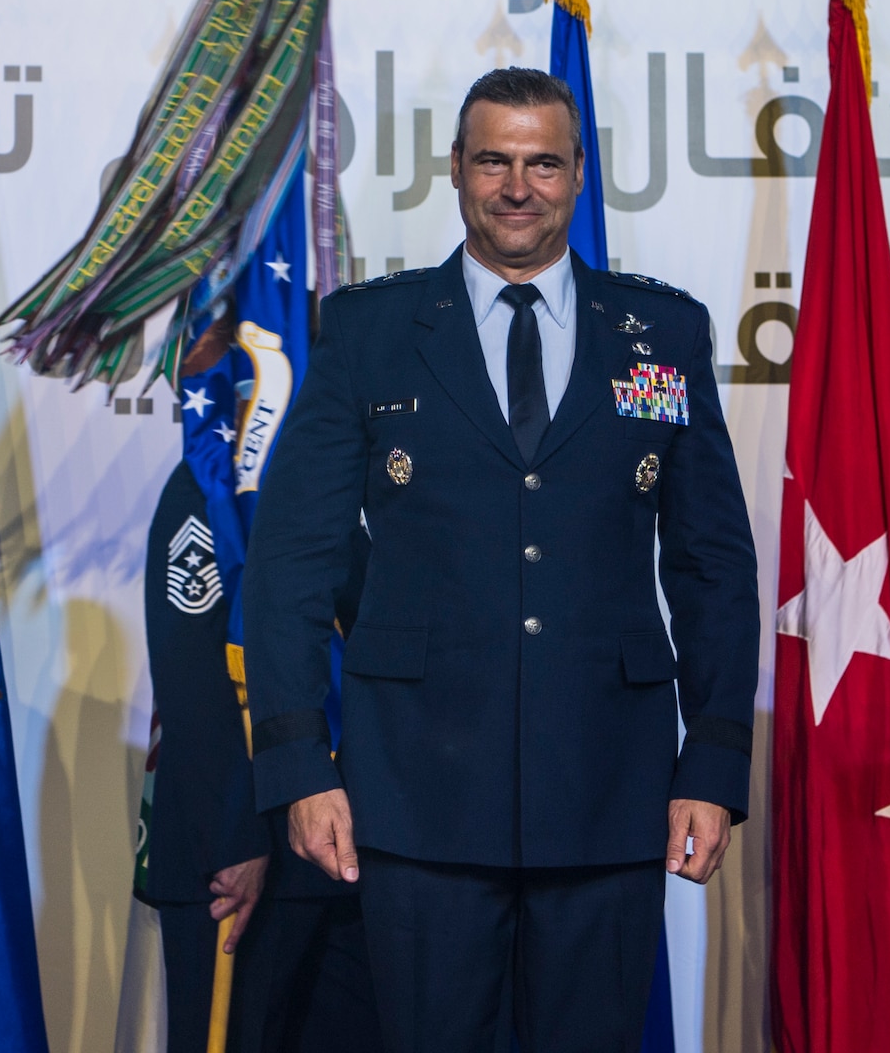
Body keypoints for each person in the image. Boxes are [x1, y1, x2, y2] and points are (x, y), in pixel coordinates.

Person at [243, 68, 760, 1051]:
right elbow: (291, 564)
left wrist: (714, 762)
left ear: (576, 176)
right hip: (414, 800)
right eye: (493, 160)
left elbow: (712, 567)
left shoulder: (664, 333)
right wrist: (299, 764)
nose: (516, 186)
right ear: (456, 171)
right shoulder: (370, 330)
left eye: (541, 163)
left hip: (607, 794)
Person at [139, 461, 381, 1052]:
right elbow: (191, 675)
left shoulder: (336, 482)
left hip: (338, 853)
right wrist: (234, 842)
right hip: (239, 857)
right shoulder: (208, 485)